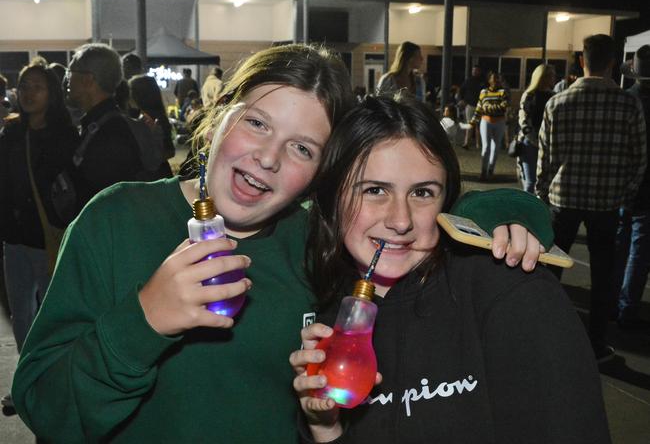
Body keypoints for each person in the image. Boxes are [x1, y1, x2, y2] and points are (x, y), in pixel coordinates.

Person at [13, 44, 545, 442]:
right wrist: (143, 320)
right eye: (257, 123)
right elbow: (44, 406)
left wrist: (495, 222)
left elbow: (407, 231)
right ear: (219, 114)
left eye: (302, 148)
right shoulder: (116, 219)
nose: (268, 158)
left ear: (319, 176)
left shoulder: (315, 243)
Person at [291, 95, 611, 443]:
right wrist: (324, 428)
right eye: (375, 190)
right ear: (333, 198)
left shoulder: (507, 289)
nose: (401, 221)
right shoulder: (322, 314)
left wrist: (506, 211)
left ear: (447, 199)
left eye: (423, 192)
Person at [537, 34, 647, 362]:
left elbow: (546, 156)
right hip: (606, 203)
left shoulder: (557, 103)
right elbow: (639, 157)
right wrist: (624, 193)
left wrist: (540, 192)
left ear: (582, 61)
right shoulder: (629, 104)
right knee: (601, 278)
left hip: (563, 199)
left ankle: (545, 339)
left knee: (551, 273)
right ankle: (595, 345)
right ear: (613, 63)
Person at [0, 63, 79, 411]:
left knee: (51, 314)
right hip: (15, 238)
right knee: (21, 314)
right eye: (23, 86)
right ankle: (27, 382)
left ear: (52, 93)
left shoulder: (66, 135)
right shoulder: (10, 134)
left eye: (37, 86)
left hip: (52, 237)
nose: (28, 93)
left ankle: (51, 381)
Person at [65, 43, 143, 210]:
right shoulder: (106, 123)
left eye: (70, 72)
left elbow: (108, 200)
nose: (67, 79)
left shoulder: (109, 133)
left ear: (88, 80)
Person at [614, 44, 650, 334]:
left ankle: (611, 301)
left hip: (620, 184)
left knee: (619, 243)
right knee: (639, 250)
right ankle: (627, 308)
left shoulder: (625, 101)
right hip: (646, 187)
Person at [516, 64, 555, 193]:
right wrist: (534, 140)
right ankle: (526, 211)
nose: (553, 78)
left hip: (547, 142)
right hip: (530, 142)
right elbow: (523, 119)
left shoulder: (554, 96)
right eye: (550, 75)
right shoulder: (530, 95)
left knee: (542, 181)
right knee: (531, 181)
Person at [128, 74, 176, 177]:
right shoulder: (158, 116)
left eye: (131, 93)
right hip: (161, 174)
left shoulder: (146, 119)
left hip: (153, 177)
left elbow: (169, 151)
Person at [473, 71, 510, 181]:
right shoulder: (483, 92)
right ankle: (483, 172)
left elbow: (504, 106)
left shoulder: (503, 92)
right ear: (489, 80)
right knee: (486, 148)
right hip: (486, 121)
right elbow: (479, 107)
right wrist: (473, 121)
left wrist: (488, 107)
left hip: (499, 122)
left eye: (497, 79)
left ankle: (491, 170)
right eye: (493, 78)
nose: (495, 81)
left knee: (496, 148)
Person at [457, 65, 485, 149]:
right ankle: (466, 143)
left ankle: (478, 144)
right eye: (473, 70)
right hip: (469, 105)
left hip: (479, 106)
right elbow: (461, 91)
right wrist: (461, 100)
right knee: (469, 124)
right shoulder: (468, 81)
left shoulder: (482, 82)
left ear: (479, 71)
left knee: (478, 126)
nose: (474, 72)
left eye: (476, 70)